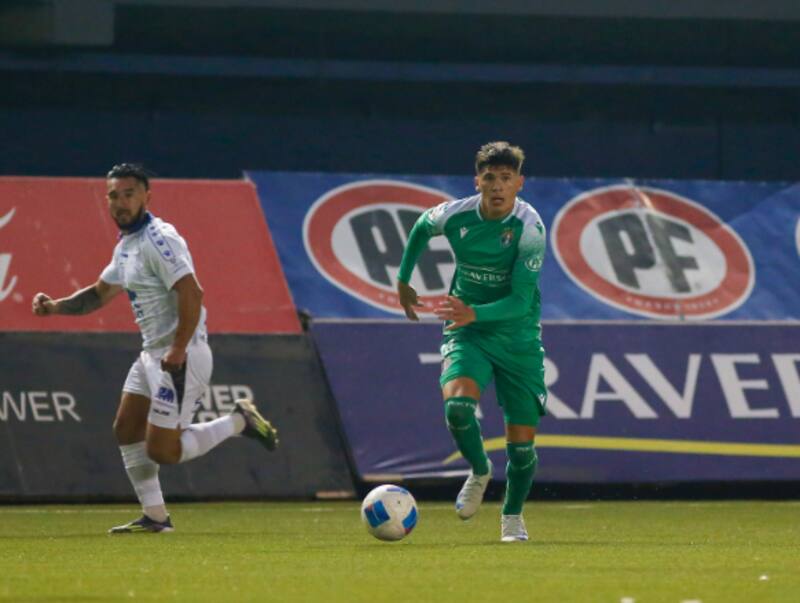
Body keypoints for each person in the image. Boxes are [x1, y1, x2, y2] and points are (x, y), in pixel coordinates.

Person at [32, 163, 278, 533]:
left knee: (163, 450)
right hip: (152, 353)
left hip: (181, 354)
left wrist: (178, 350)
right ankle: (156, 517)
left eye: (129, 194)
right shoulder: (126, 246)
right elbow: (99, 294)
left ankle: (239, 421)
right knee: (126, 428)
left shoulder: (159, 239)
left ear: (148, 196)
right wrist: (55, 307)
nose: (120, 203)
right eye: (113, 195)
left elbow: (192, 292)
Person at [397, 142, 547, 542]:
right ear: (477, 180)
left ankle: (512, 517)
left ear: (519, 183)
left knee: (520, 447)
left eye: (506, 179)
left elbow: (518, 301)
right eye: (490, 178)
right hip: (468, 330)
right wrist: (403, 278)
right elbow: (420, 228)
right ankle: (480, 469)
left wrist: (474, 312)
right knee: (458, 408)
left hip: (516, 335)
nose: (498, 186)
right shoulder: (456, 213)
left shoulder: (529, 228)